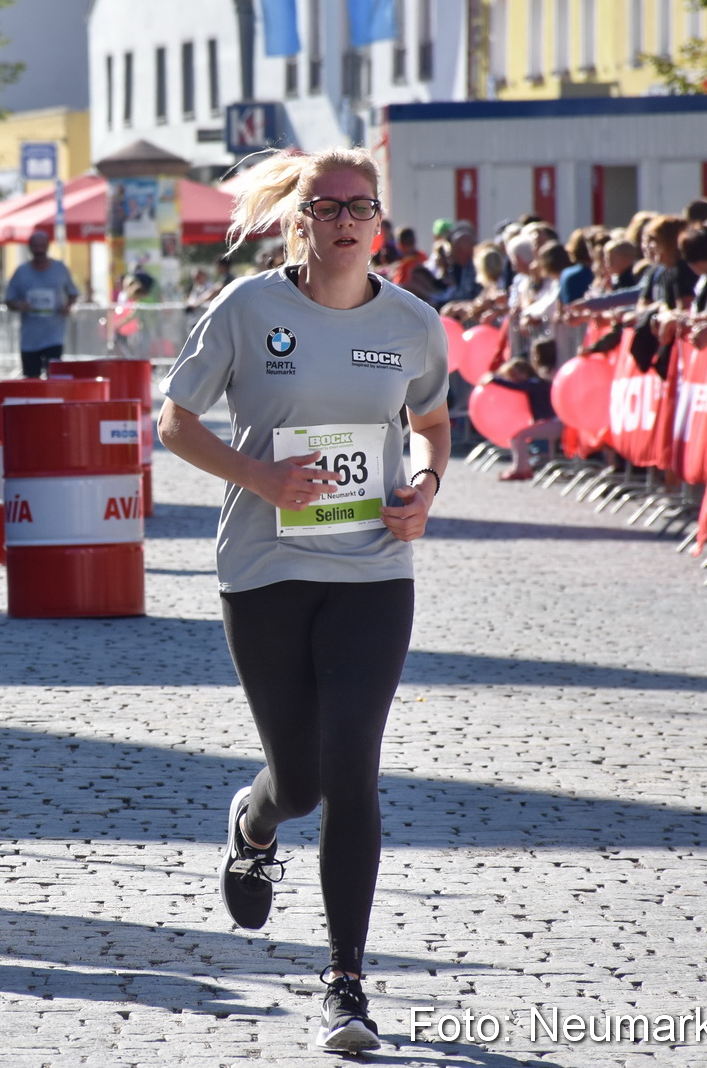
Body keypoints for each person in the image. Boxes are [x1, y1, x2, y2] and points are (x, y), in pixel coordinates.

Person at [156, 146, 449, 1054]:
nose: (346, 221)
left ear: (379, 221)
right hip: (266, 568)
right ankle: (254, 822)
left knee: (353, 768)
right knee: (301, 779)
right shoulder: (248, 309)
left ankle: (345, 982)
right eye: (329, 207)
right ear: (300, 219)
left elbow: (433, 422)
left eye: (361, 207)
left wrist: (426, 486)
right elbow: (175, 421)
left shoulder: (413, 322)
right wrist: (262, 477)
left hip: (372, 571)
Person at [4, 230, 78, 377]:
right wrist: (20, 305)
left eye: (42, 246)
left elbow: (73, 292)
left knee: (54, 376)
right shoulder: (21, 272)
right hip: (30, 339)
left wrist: (68, 305)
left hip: (54, 335)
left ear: (47, 247)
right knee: (32, 379)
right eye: (36, 246)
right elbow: (9, 299)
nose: (39, 250)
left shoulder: (60, 269)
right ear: (30, 248)